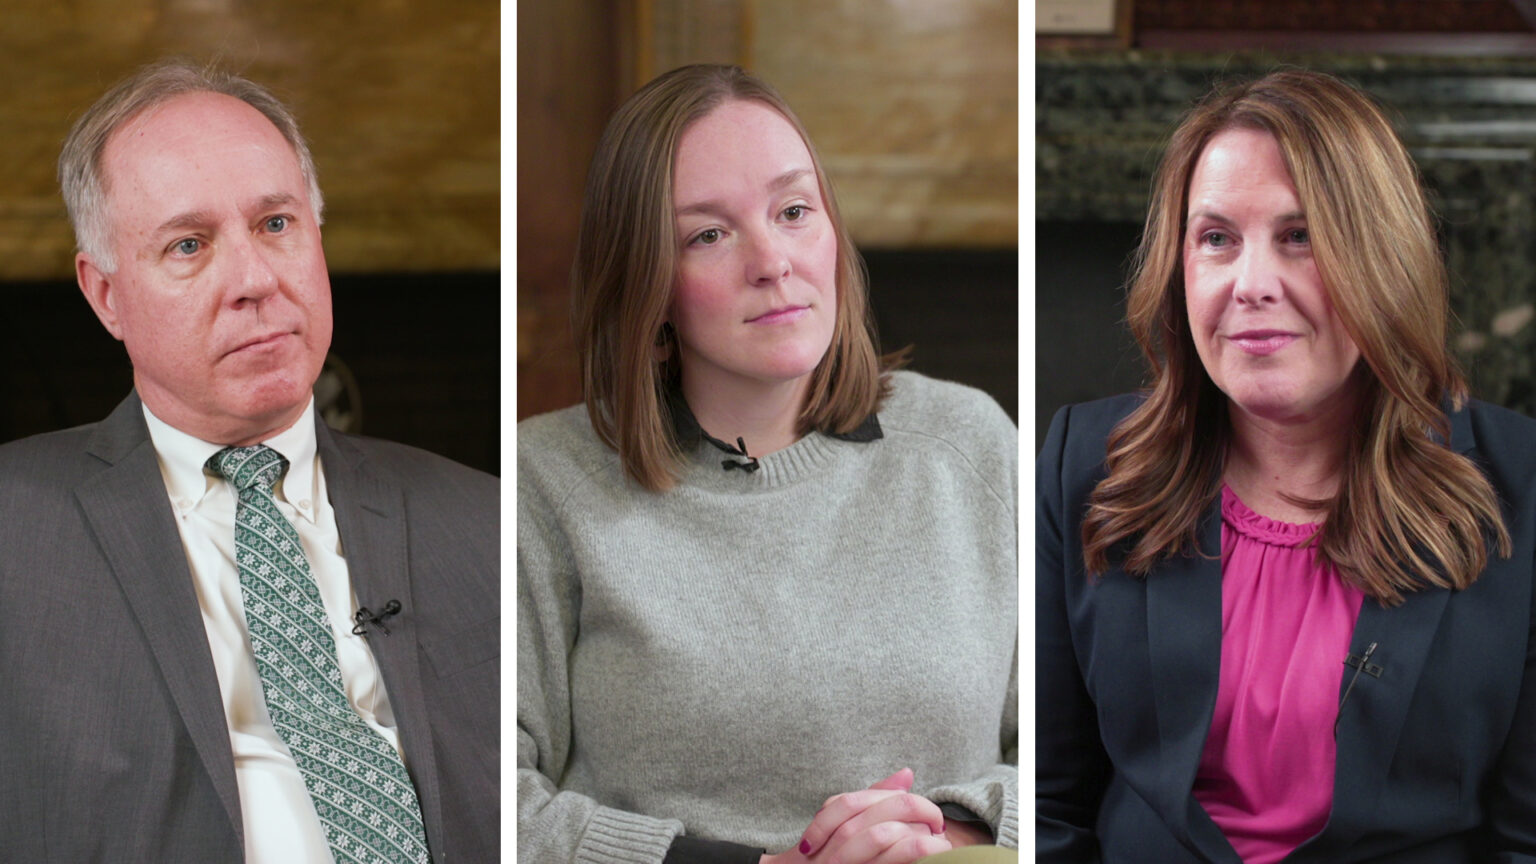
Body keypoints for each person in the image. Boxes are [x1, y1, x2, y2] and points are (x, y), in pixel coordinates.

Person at [518, 64, 1018, 864]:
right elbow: (489, 799)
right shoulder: (542, 482)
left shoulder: (970, 442)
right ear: (648, 289)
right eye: (708, 234)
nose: (773, 261)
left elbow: (1079, 749)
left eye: (793, 211)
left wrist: (951, 829)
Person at [0, 60, 498, 862]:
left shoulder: (481, 520)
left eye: (276, 225)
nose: (256, 280)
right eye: (189, 245)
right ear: (106, 296)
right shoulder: (15, 532)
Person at [1036, 68, 1536, 862]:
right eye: (1216, 239)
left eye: (1299, 237)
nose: (1251, 284)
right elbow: (1047, 804)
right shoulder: (1082, 465)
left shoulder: (1521, 483)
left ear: (1383, 259)